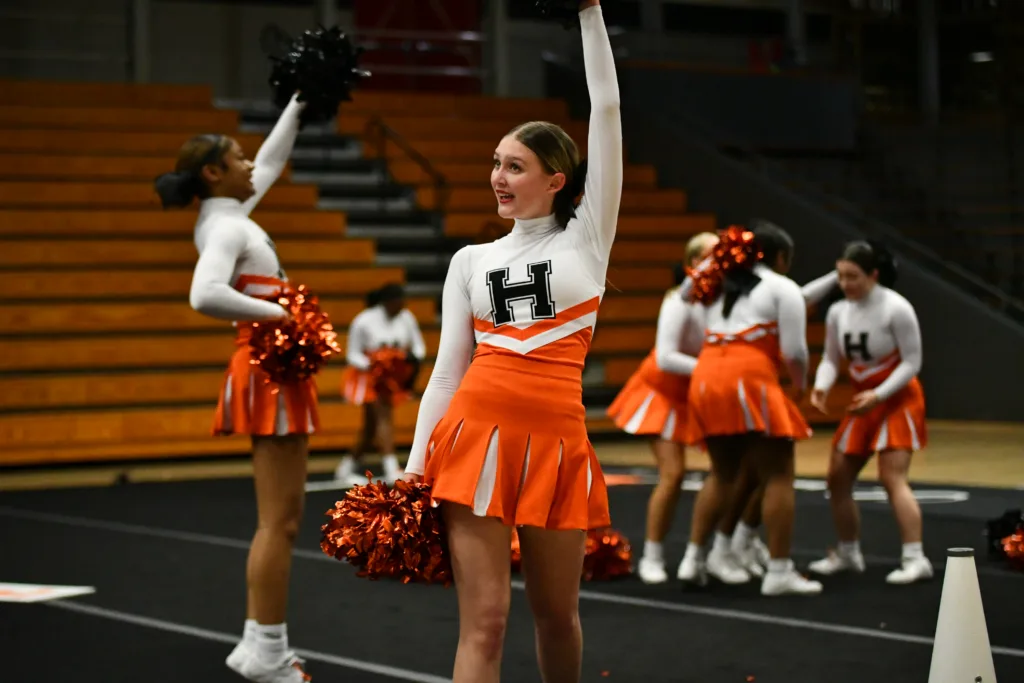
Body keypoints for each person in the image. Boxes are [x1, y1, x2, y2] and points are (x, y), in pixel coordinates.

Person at [401, 3, 620, 681]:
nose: (499, 176)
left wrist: (589, 12)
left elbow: (607, 108)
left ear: (556, 180)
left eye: (515, 166)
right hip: (474, 439)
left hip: (557, 442)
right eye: (496, 163)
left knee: (557, 616)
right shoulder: (469, 260)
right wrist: (412, 469)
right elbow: (446, 373)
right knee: (486, 622)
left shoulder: (586, 239)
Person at [155, 93, 312, 683]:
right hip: (268, 366)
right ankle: (268, 650)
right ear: (213, 173)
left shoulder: (229, 213)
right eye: (238, 158)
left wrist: (299, 103)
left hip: (269, 364)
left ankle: (256, 644)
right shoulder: (225, 227)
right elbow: (204, 294)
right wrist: (281, 315)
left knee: (281, 519)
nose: (252, 164)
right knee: (280, 522)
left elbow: (269, 162)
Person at [677, 221, 823, 596]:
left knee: (722, 472)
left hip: (706, 375)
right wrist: (800, 385)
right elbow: (795, 352)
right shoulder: (782, 287)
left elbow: (684, 292)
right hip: (748, 376)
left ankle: (693, 559)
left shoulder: (718, 283)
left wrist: (718, 260)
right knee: (778, 473)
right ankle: (779, 571)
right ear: (781, 257)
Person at [807, 240, 932, 584]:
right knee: (837, 477)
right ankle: (848, 553)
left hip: (897, 397)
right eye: (841, 276)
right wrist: (822, 385)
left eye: (853, 277)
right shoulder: (838, 311)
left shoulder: (897, 308)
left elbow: (912, 362)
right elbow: (831, 357)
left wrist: (879, 394)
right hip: (864, 400)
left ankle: (915, 557)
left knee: (892, 477)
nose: (846, 284)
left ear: (873, 275)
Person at [606, 231, 717, 584]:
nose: (720, 261)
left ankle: (727, 548)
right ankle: (652, 556)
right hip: (662, 392)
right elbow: (667, 357)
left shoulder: (727, 300)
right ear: (693, 263)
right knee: (673, 474)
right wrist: (715, 369)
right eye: (711, 255)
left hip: (696, 394)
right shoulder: (678, 300)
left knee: (732, 474)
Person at [336, 282, 426, 485]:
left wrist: (405, 360)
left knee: (371, 427)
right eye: (397, 301)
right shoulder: (364, 320)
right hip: (369, 378)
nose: (401, 306)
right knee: (384, 417)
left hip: (392, 379)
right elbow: (352, 354)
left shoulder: (407, 318)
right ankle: (391, 467)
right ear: (386, 302)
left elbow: (419, 347)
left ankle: (345, 468)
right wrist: (374, 364)